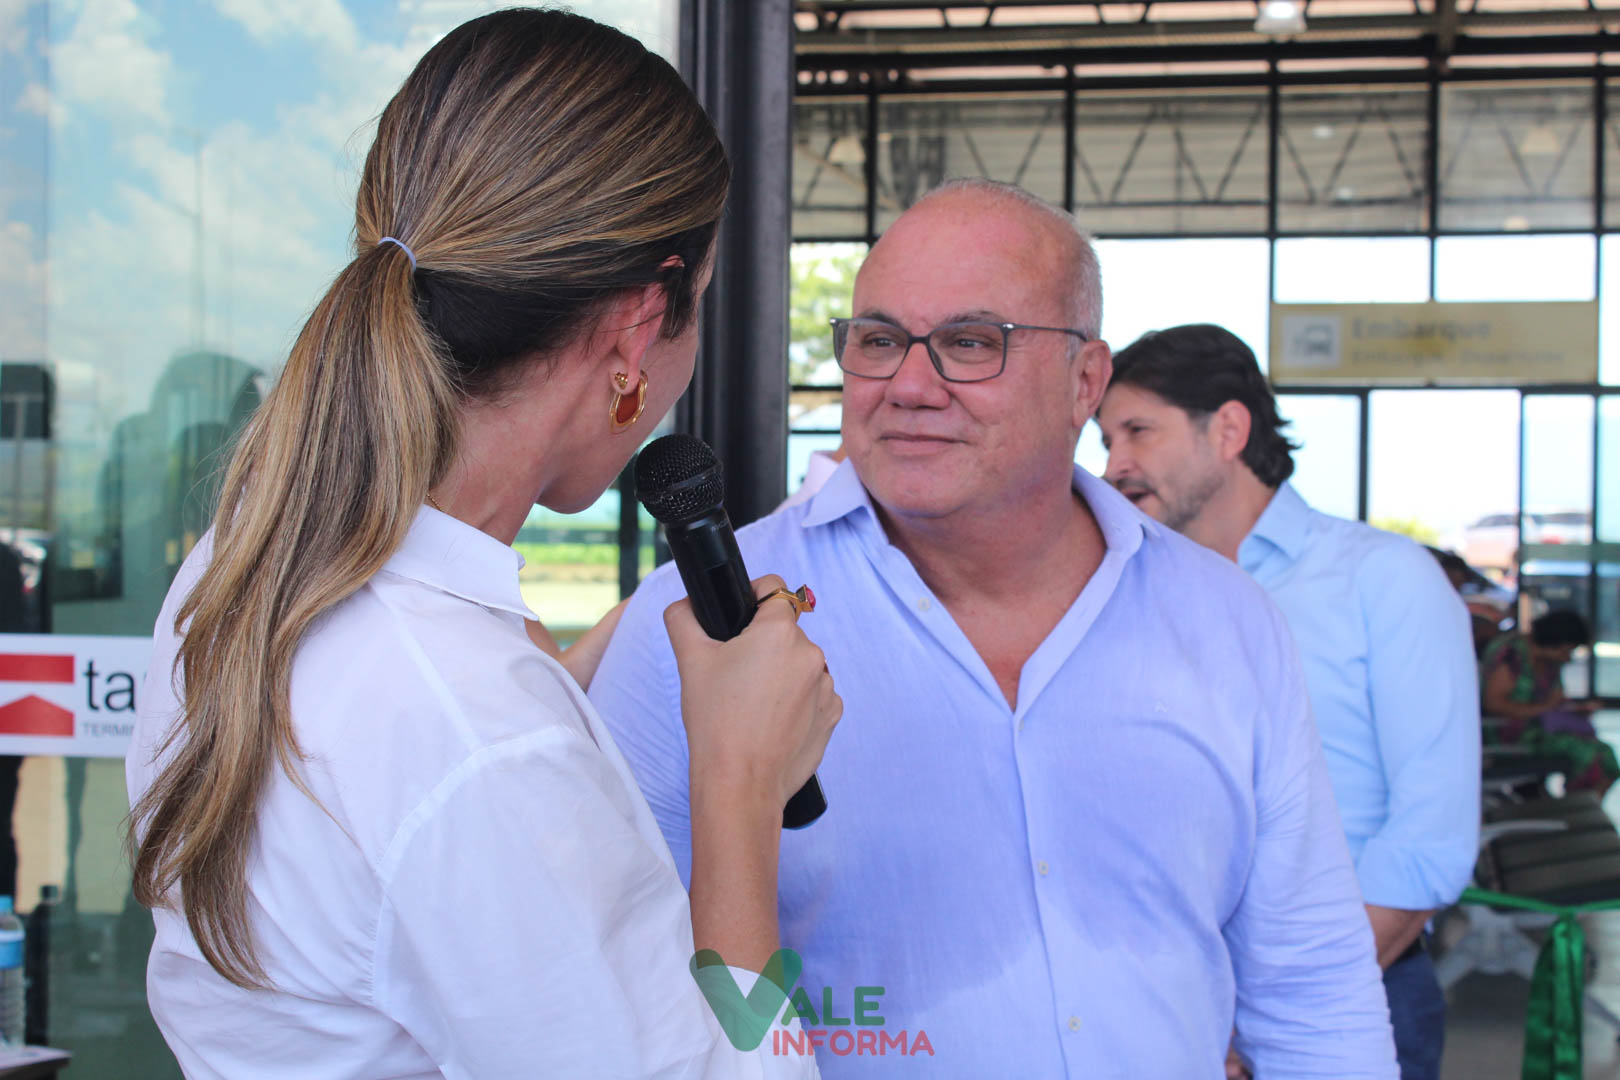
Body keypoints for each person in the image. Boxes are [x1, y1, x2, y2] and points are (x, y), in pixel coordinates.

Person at [124, 11, 840, 1077]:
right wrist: (741, 781)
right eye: (697, 308)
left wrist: (561, 674)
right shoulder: (480, 739)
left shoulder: (249, 566)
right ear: (638, 329)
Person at [593, 179, 1397, 1078]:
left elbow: (1313, 991)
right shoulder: (699, 635)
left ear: (1085, 381)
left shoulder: (1226, 621)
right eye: (879, 341)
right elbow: (616, 984)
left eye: (971, 343)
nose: (909, 386)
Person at [1097, 323, 1479, 1080]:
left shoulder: (1382, 578)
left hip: (1349, 998)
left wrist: (1260, 1018)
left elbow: (1428, 839)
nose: (1114, 466)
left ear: (1228, 429)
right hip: (1172, 1008)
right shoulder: (1130, 595)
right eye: (1106, 440)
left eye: (1138, 431)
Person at [1480, 609, 1613, 794]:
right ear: (1555, 642)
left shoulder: (1550, 663)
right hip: (1509, 735)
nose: (1567, 657)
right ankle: (1576, 805)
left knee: (1606, 755)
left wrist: (1575, 710)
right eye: (1567, 650)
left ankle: (1581, 805)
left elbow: (1554, 702)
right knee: (1590, 755)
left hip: (1541, 730)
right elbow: (1493, 704)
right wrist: (1543, 708)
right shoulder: (1512, 654)